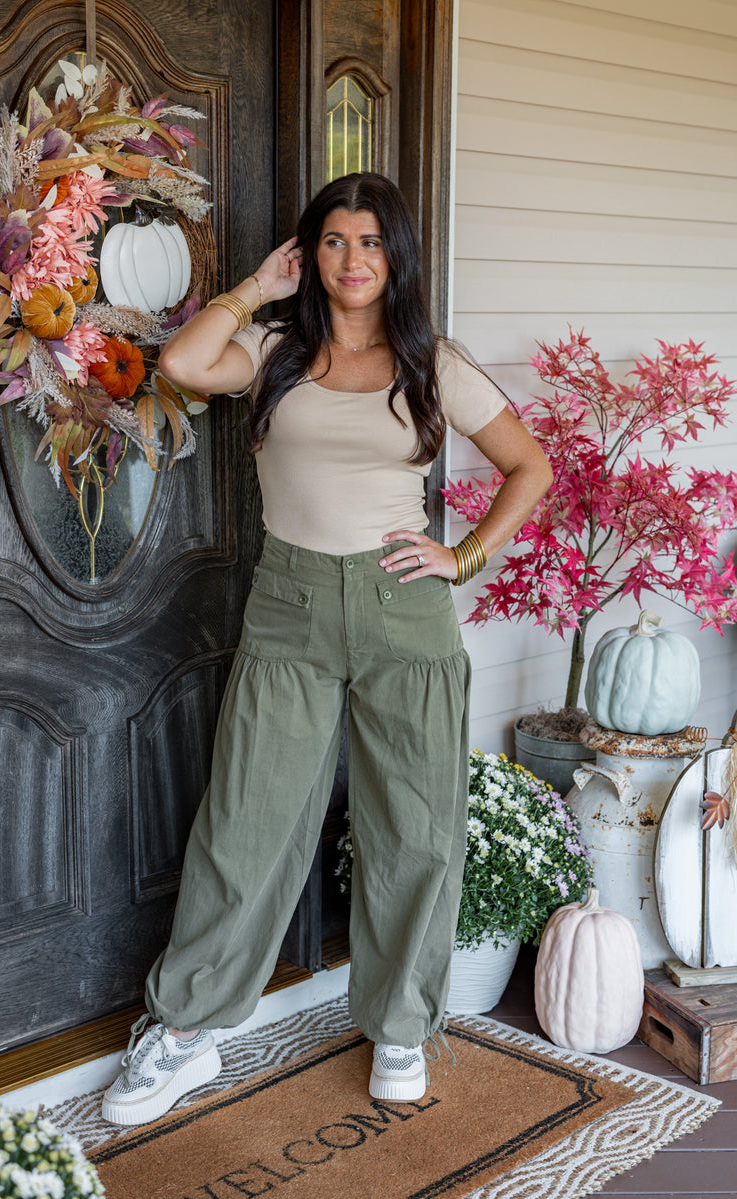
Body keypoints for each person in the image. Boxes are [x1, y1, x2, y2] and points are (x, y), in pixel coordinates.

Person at [102, 172, 552, 1126]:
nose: (355, 261)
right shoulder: (272, 350)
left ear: (398, 258)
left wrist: (464, 554)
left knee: (416, 825)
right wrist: (252, 289)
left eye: (373, 243)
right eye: (336, 242)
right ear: (312, 254)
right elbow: (182, 363)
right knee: (247, 820)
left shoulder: (434, 363)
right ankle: (187, 1029)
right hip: (291, 603)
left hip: (404, 607)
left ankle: (399, 1025)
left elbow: (529, 467)